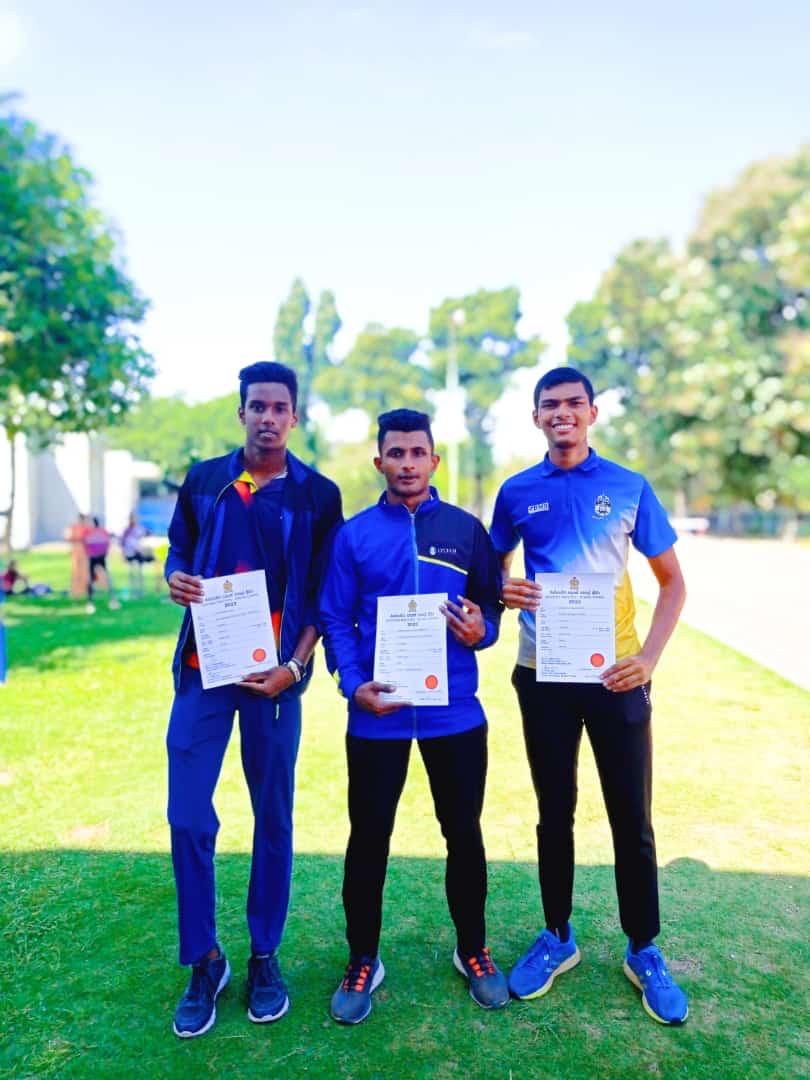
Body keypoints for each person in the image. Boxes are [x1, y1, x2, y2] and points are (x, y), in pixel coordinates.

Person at [489, 366, 688, 1025]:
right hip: (543, 674)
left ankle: (643, 947)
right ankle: (557, 937)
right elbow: (490, 573)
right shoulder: (517, 492)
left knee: (632, 817)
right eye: (551, 406)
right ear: (537, 417)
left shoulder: (629, 487)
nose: (563, 414)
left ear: (593, 413)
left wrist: (648, 658)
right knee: (555, 812)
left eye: (574, 404)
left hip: (615, 677)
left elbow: (673, 585)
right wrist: (502, 589)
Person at [165, 360, 342, 1039]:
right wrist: (177, 576)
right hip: (202, 671)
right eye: (256, 405)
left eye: (279, 407)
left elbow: (324, 596)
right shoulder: (206, 479)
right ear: (241, 411)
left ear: (294, 417)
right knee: (186, 814)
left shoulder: (317, 495)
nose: (267, 416)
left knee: (273, 815)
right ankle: (205, 959)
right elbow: (178, 550)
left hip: (274, 681)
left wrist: (295, 668)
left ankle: (265, 954)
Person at [320, 408, 509, 1025]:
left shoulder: (466, 528)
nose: (405, 463)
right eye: (394, 453)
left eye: (416, 452)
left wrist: (482, 631)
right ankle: (362, 959)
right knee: (368, 840)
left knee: (464, 834)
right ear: (379, 462)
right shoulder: (353, 536)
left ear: (434, 460)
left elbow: (490, 611)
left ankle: (473, 950)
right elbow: (335, 620)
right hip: (377, 716)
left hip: (455, 715)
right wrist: (353, 686)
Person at [82, 517, 120, 613]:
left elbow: (86, 544)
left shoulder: (94, 532)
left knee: (102, 579)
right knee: (92, 580)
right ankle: (91, 602)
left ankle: (110, 601)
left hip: (98, 558)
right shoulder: (94, 532)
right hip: (96, 558)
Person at [120, 512, 154, 597]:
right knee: (132, 573)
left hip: (139, 553)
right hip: (129, 553)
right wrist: (123, 553)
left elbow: (148, 534)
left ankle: (141, 591)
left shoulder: (140, 529)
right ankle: (133, 591)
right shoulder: (127, 530)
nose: (133, 520)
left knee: (140, 572)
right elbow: (122, 543)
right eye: (132, 518)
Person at [65, 513, 89, 599]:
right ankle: (75, 591)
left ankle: (84, 590)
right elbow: (68, 537)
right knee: (76, 572)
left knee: (84, 572)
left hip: (85, 553)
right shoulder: (74, 527)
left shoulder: (87, 528)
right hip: (76, 552)